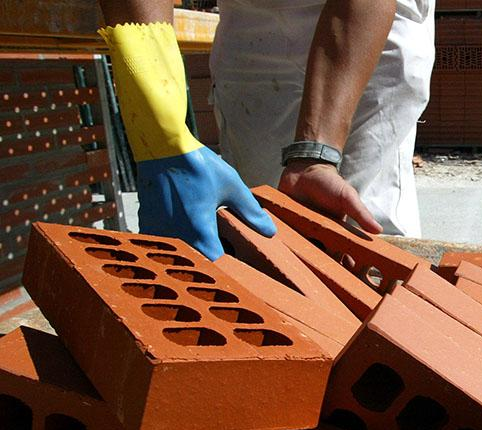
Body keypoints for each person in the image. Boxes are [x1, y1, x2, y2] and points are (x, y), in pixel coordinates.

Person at [97, 0, 433, 260]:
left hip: (364, 25)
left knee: (356, 233)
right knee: (260, 239)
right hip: (251, 23)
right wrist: (162, 139)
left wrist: (315, 156)